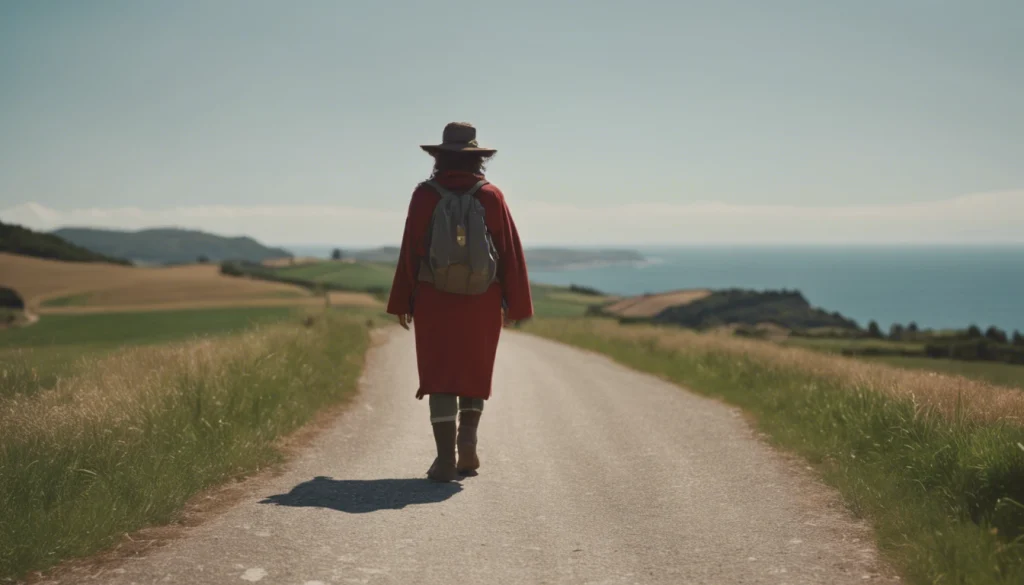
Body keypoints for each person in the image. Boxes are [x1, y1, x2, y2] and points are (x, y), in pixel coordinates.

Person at [387, 122, 533, 482]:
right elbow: (509, 252)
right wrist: (515, 305)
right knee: (473, 369)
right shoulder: (491, 195)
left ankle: (444, 459)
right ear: (477, 159)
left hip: (434, 298)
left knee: (440, 374)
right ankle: (467, 444)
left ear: (439, 157)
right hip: (482, 300)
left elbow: (411, 250)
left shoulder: (424, 195)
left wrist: (402, 300)